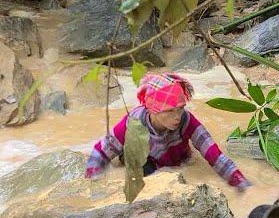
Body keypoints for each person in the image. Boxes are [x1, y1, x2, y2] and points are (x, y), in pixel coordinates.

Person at [84, 72, 252, 191]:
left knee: (187, 166)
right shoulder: (132, 125)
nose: (177, 116)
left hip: (179, 159)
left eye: (180, 109)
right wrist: (93, 183)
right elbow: (100, 152)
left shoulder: (186, 120)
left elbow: (213, 154)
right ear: (153, 109)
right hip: (147, 163)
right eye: (170, 111)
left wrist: (239, 181)